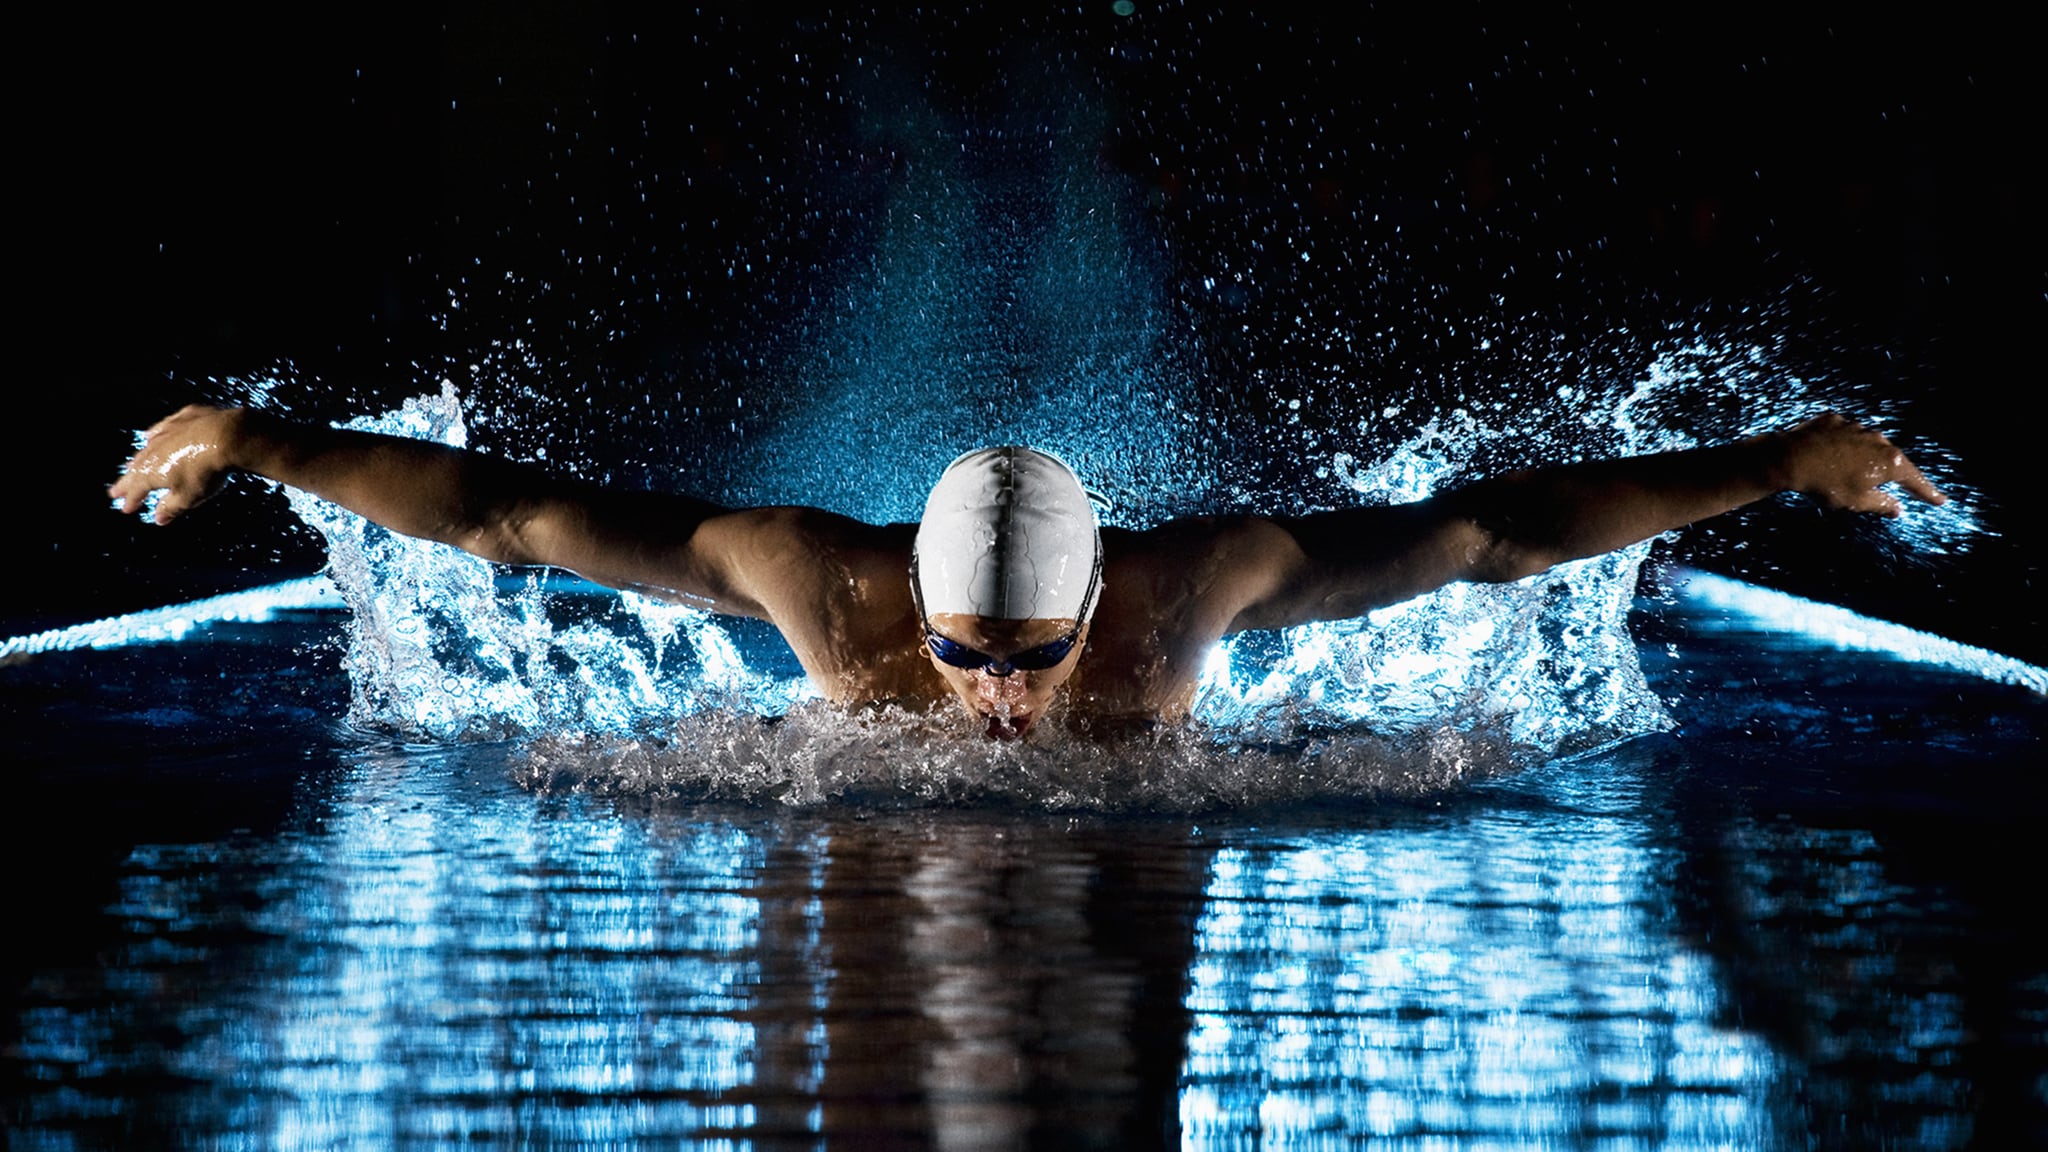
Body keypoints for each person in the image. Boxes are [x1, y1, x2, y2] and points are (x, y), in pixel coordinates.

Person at [111, 406, 1944, 739]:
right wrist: (263, 442)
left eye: (1027, 657)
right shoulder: (816, 589)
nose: (990, 696)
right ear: (905, 600)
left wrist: (1779, 467)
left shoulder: (1189, 597)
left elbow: (1487, 537)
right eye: (965, 652)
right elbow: (514, 518)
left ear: (1095, 610)